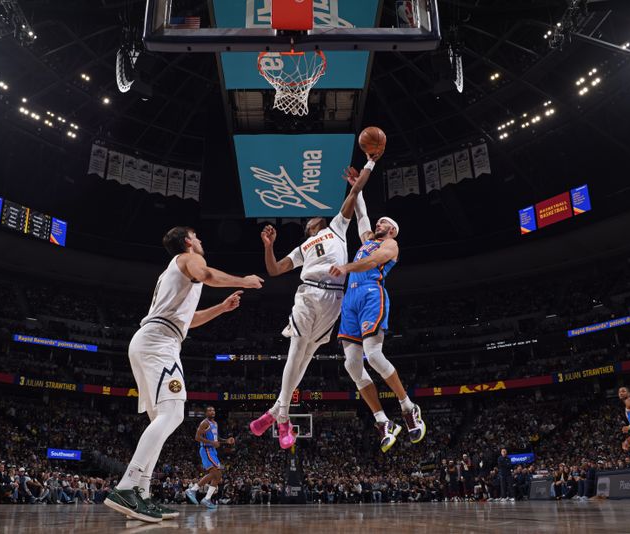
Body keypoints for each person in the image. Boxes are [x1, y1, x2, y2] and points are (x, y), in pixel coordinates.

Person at [104, 227, 263, 523]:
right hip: (159, 342)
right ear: (188, 241)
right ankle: (127, 486)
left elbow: (188, 320)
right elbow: (209, 276)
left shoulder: (176, 273)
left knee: (163, 419)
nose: (201, 241)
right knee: (174, 413)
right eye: (198, 237)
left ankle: (142, 494)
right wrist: (245, 281)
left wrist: (222, 307)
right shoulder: (188, 258)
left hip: (157, 338)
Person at [249, 153, 378, 449]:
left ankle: (274, 411)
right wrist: (269, 246)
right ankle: (283, 417)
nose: (315, 217)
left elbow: (356, 193)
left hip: (334, 296)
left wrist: (368, 165)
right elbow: (274, 269)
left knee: (306, 357)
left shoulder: (336, 227)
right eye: (310, 219)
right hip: (308, 292)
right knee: (297, 350)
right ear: (308, 227)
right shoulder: (303, 246)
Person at [328, 173, 425, 452]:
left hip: (372, 293)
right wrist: (357, 186)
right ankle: (383, 421)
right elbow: (361, 213)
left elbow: (372, 261)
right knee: (351, 364)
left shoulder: (390, 246)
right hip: (351, 299)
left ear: (392, 231)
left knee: (374, 354)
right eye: (379, 222)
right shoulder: (368, 238)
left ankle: (408, 406)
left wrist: (346, 268)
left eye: (384, 223)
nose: (378, 224)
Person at [185, 405, 234, 509]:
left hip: (212, 450)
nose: (212, 412)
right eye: (210, 410)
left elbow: (216, 439)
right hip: (206, 450)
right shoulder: (204, 423)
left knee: (218, 476)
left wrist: (226, 441)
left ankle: (206, 499)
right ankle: (192, 490)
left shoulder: (215, 424)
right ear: (206, 413)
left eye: (213, 410)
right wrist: (212, 443)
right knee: (214, 473)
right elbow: (197, 437)